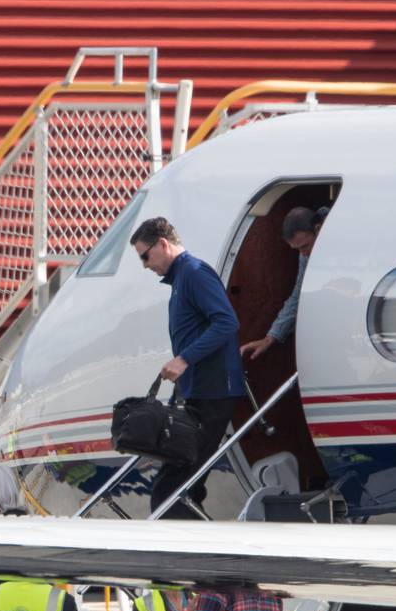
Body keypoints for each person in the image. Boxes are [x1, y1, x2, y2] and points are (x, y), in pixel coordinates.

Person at [129, 217, 244, 519]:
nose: (145, 265)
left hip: (212, 392)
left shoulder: (193, 272)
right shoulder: (181, 278)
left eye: (145, 256)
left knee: (172, 489)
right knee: (179, 483)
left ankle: (190, 554)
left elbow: (227, 322)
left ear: (163, 244)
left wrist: (184, 359)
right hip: (197, 391)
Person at [239, 207, 317, 361]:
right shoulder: (305, 255)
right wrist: (271, 336)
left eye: (305, 246)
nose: (303, 253)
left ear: (318, 229)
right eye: (297, 249)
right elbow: (298, 296)